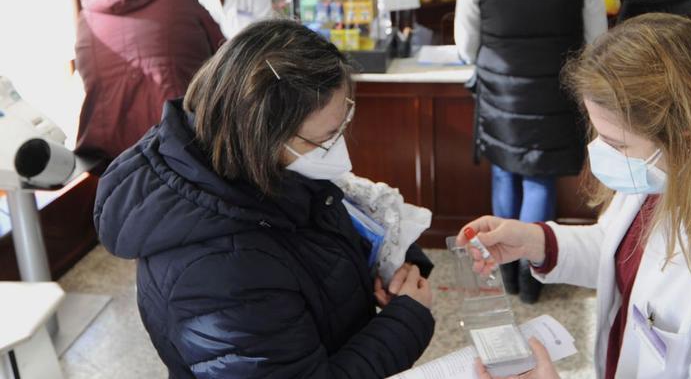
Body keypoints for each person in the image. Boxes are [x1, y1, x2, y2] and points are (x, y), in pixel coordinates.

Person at [461, 14, 691, 378]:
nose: (599, 151)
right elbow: (620, 251)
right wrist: (537, 241)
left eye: (615, 143)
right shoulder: (665, 173)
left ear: (686, 135)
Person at [93, 19, 435, 378]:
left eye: (342, 126)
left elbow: (323, 228)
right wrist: (408, 319)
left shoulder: (264, 170)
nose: (341, 153)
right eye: (326, 139)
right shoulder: (218, 273)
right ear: (263, 139)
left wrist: (392, 264)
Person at [453, 0, 608, 303]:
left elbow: (465, 39)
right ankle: (531, 276)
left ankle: (505, 269)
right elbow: (597, 37)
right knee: (539, 179)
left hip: (501, 88)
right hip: (555, 89)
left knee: (505, 172)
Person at [75, 0, 224, 163]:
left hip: (109, 149)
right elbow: (224, 54)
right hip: (180, 139)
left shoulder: (87, 16)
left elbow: (85, 73)